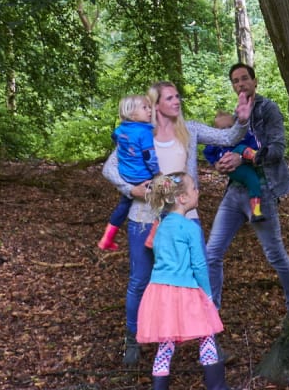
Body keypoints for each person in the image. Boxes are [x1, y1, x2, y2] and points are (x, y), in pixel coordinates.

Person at [102, 81, 253, 367]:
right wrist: (130, 189)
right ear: (155, 103)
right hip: (144, 218)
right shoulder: (139, 133)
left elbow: (228, 135)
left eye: (178, 96)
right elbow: (110, 169)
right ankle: (133, 339)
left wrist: (243, 121)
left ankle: (209, 342)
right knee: (140, 280)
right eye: (170, 97)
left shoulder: (190, 130)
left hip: (185, 219)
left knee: (197, 277)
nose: (177, 101)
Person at [206, 63, 289, 312]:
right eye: (235, 81)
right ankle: (211, 319)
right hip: (235, 191)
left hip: (262, 190)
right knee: (211, 253)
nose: (240, 84)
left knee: (275, 255)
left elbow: (277, 149)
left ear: (254, 81)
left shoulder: (268, 110)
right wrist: (221, 164)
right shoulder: (236, 115)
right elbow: (222, 146)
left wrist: (244, 157)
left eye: (245, 79)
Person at [137, 172, 229, 390]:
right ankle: (217, 386)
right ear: (182, 198)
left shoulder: (160, 225)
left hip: (159, 292)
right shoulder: (190, 228)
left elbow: (157, 255)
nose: (198, 191)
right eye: (194, 188)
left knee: (165, 343)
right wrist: (207, 294)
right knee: (206, 334)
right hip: (186, 291)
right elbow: (199, 265)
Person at [98, 95, 161, 251]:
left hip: (126, 175)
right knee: (166, 202)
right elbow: (149, 156)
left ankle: (106, 239)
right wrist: (157, 173)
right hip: (143, 177)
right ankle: (152, 238)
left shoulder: (121, 130)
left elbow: (115, 137)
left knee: (122, 207)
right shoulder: (145, 132)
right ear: (132, 114)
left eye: (149, 107)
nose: (149, 111)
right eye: (145, 108)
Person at [203, 111, 266, 223]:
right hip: (228, 165)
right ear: (216, 130)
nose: (227, 131)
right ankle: (254, 156)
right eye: (223, 129)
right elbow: (208, 152)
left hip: (245, 167)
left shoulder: (242, 135)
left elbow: (254, 141)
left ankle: (256, 212)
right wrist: (216, 164)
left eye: (230, 127)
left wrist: (249, 153)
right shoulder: (215, 140)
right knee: (241, 148)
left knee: (254, 182)